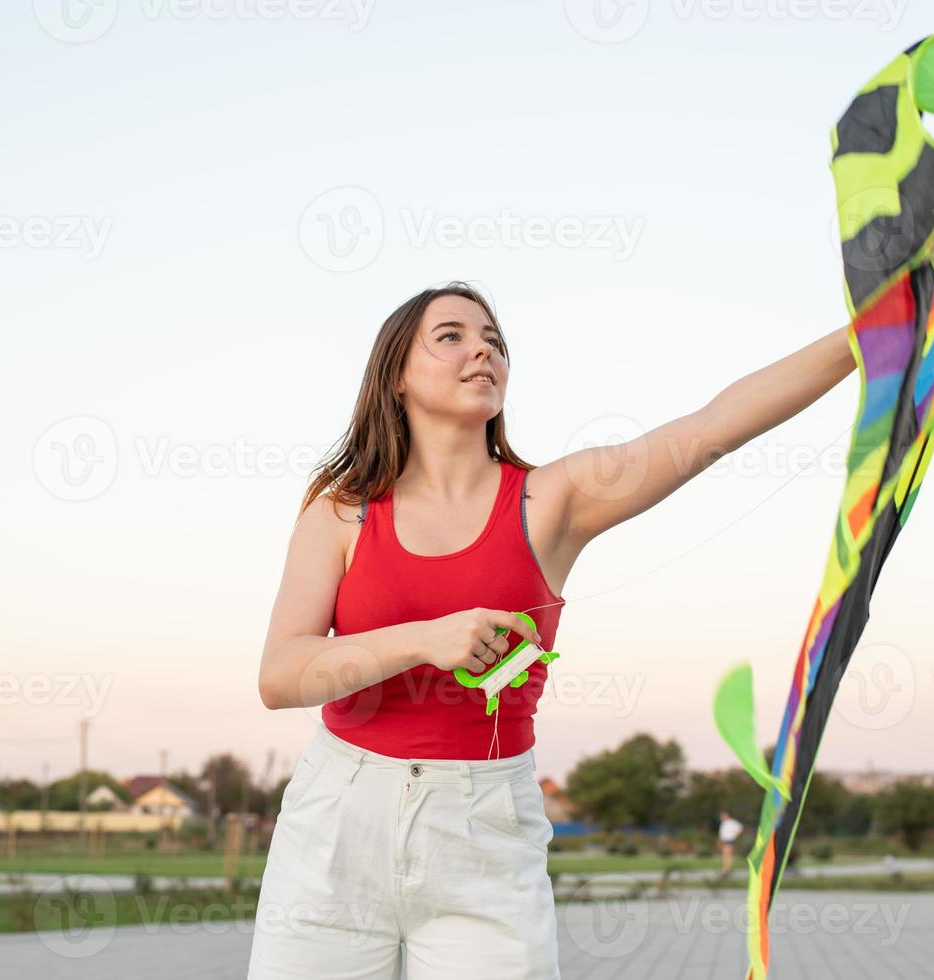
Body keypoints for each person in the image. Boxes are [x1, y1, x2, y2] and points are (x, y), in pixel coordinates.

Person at [251, 282, 856, 978]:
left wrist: (871, 333)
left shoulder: (550, 500)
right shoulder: (342, 514)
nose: (482, 348)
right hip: (336, 823)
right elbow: (280, 674)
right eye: (450, 335)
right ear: (395, 375)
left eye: (494, 340)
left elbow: (712, 426)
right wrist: (422, 639)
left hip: (481, 827)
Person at [718, 810, 744, 876]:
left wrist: (735, 835)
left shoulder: (733, 822)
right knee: (725, 855)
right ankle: (725, 868)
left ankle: (727, 869)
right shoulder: (724, 823)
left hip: (729, 840)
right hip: (724, 841)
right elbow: (722, 833)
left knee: (727, 855)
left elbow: (740, 828)